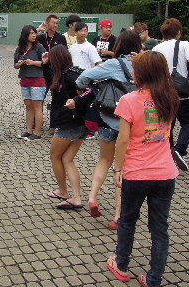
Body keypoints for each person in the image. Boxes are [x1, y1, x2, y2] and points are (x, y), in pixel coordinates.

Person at [107, 51, 180, 287]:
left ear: (141, 73)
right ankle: (153, 278)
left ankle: (121, 264)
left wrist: (118, 169)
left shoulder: (129, 100)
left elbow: (122, 141)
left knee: (128, 221)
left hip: (136, 173)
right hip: (165, 172)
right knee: (160, 228)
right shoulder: (170, 97)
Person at [76, 29, 142, 230]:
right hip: (132, 124)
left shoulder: (114, 64)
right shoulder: (144, 65)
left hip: (108, 118)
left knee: (104, 159)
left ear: (119, 45)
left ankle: (93, 197)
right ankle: (118, 215)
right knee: (122, 168)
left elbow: (83, 78)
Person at [152, 17, 189, 171]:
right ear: (179, 32)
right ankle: (179, 150)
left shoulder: (156, 49)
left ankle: (169, 154)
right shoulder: (185, 44)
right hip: (182, 93)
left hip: (164, 92)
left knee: (168, 125)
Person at [46, 45, 92, 209]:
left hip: (70, 123)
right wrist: (45, 64)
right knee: (67, 159)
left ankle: (64, 191)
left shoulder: (69, 75)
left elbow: (90, 91)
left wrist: (75, 101)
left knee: (55, 155)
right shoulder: (65, 73)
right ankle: (76, 197)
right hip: (78, 123)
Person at [14, 25, 47, 140]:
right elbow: (15, 65)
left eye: (34, 33)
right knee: (28, 106)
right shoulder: (20, 49)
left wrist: (32, 62)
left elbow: (46, 62)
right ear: (25, 35)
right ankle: (28, 130)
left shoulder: (39, 47)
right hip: (24, 80)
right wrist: (19, 64)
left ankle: (37, 133)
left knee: (37, 107)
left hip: (38, 80)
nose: (34, 35)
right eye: (31, 33)